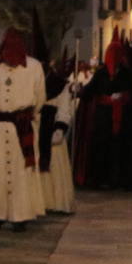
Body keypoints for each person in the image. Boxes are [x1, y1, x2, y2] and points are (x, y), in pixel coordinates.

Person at [0, 28, 47, 231]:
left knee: (22, 171)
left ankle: (21, 214)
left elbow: (40, 97)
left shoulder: (34, 67)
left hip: (22, 127)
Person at [74, 36, 132, 191]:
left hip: (125, 122)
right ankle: (102, 178)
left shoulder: (128, 74)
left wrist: (124, 97)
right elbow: (90, 91)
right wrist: (79, 92)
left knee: (122, 150)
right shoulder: (101, 73)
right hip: (103, 121)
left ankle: (122, 179)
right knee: (102, 149)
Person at [39, 68, 76, 214]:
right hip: (37, 128)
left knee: (54, 167)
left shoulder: (60, 85)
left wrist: (60, 127)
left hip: (52, 128)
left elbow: (64, 108)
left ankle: (55, 202)